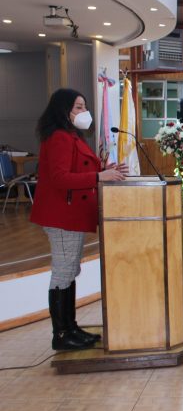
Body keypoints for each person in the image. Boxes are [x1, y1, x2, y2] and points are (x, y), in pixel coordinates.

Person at [30, 88, 127, 350]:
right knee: (63, 271)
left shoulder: (71, 136)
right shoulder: (59, 137)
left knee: (70, 270)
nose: (84, 112)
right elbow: (61, 178)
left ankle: (70, 328)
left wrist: (104, 170)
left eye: (84, 107)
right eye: (77, 108)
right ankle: (61, 335)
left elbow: (78, 168)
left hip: (71, 214)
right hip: (62, 215)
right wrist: (99, 177)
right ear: (63, 110)